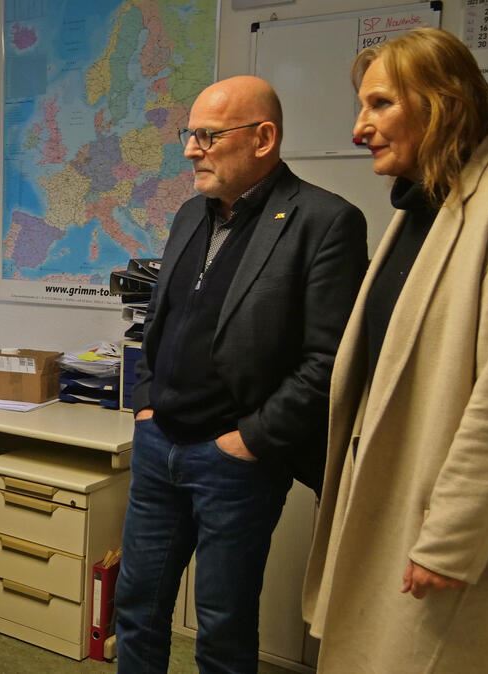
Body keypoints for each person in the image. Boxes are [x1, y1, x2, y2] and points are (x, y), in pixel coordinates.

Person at [302, 28, 488, 674]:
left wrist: (449, 539)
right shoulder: (420, 206)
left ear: (441, 102)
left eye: (380, 104)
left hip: (445, 537)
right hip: (389, 505)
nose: (360, 128)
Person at [115, 75, 368, 673]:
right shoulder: (188, 215)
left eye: (206, 135)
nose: (189, 149)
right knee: (136, 607)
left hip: (233, 460)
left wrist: (249, 440)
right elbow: (158, 321)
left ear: (263, 138)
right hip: (159, 445)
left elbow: (329, 360)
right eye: (189, 134)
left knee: (223, 625)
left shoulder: (324, 222)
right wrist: (146, 403)